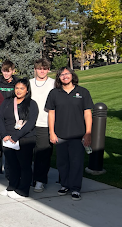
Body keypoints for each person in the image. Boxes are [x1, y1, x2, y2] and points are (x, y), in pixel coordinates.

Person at [46, 67, 93, 201]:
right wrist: (52, 132)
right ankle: (64, 185)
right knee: (62, 162)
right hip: (60, 135)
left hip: (78, 135)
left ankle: (75, 188)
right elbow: (51, 113)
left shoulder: (82, 92)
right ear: (59, 77)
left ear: (72, 75)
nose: (65, 76)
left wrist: (88, 132)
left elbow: (87, 113)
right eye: (62, 74)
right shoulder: (54, 93)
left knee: (76, 162)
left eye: (67, 73)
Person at [0, 78, 38, 199]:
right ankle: (12, 187)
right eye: (17, 88)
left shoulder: (31, 103)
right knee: (12, 165)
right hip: (8, 139)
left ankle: (23, 190)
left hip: (25, 139)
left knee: (24, 165)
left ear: (27, 90)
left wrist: (16, 136)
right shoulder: (7, 101)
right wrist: (4, 134)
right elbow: (0, 118)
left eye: (22, 88)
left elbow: (31, 123)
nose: (19, 91)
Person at [30, 58, 55, 192]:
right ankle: (29, 178)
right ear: (35, 69)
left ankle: (40, 180)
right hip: (29, 124)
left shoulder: (53, 83)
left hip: (45, 124)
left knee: (43, 154)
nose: (42, 71)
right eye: (39, 68)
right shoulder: (29, 83)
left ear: (48, 70)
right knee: (28, 153)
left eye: (45, 68)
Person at [0, 60, 18, 178]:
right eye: (4, 71)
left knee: (8, 146)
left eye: (8, 71)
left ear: (13, 71)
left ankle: (9, 174)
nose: (6, 74)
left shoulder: (17, 82)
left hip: (11, 118)